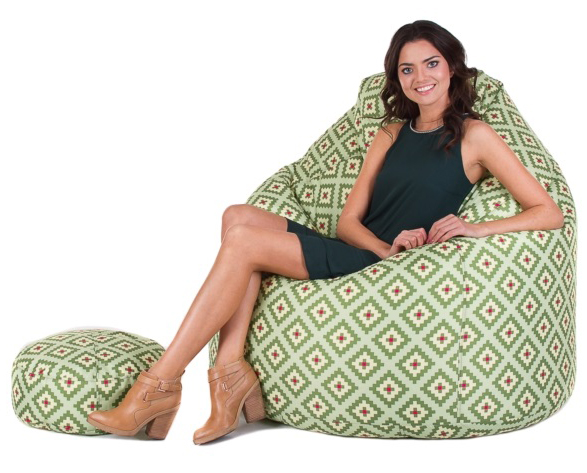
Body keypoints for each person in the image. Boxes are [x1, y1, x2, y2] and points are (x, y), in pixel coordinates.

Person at [87, 19, 564, 444]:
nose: (421, 77)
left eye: (431, 63)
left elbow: (548, 212)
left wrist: (474, 228)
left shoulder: (475, 136)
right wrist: (384, 249)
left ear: (453, 67)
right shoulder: (390, 133)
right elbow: (347, 222)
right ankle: (230, 371)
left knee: (243, 243)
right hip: (365, 251)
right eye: (407, 69)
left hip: (378, 266)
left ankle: (160, 384)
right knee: (237, 217)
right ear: (397, 78)